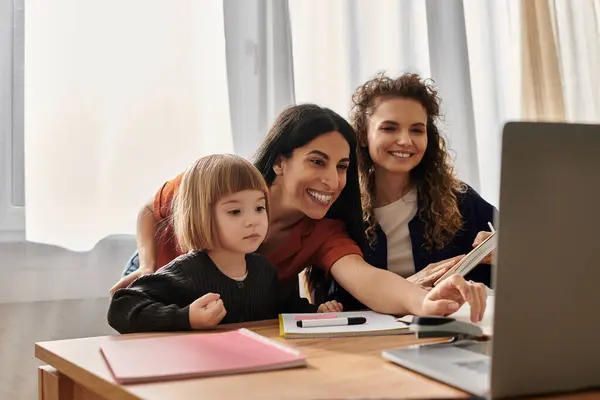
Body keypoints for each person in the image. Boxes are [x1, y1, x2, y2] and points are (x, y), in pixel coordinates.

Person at [110, 104, 487, 323]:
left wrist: (424, 301)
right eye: (317, 162)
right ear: (279, 163)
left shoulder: (322, 231)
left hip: (219, 317)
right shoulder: (223, 182)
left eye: (341, 167)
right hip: (155, 287)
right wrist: (145, 264)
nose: (332, 180)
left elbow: (367, 279)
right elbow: (151, 208)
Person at [108, 154, 342, 334]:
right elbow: (121, 308)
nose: (252, 221)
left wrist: (317, 312)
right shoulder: (186, 271)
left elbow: (288, 307)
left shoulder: (263, 270)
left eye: (259, 208)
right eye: (235, 211)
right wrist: (186, 317)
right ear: (202, 216)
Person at [349, 72, 497, 290]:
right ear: (363, 135)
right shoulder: (344, 209)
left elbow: (524, 255)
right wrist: (406, 290)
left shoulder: (460, 199)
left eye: (417, 130)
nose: (405, 141)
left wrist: (506, 253)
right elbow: (334, 299)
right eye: (389, 128)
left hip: (450, 322)